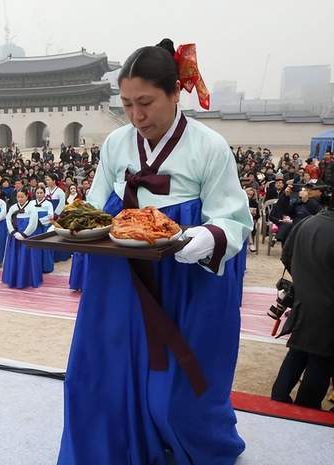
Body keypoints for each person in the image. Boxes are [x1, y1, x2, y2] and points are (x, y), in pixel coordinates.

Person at [57, 39, 252, 465]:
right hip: (119, 278)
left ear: (174, 93)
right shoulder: (115, 145)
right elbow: (92, 208)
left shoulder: (208, 147)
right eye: (126, 104)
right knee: (99, 373)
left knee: (175, 392)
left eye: (145, 102)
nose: (136, 116)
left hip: (184, 280)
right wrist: (66, 221)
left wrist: (207, 237)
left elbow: (234, 219)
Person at [271, 199, 334, 409]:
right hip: (327, 309)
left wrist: (304, 280)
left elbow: (286, 256)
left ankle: (278, 400)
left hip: (303, 300)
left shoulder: (306, 222)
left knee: (297, 352)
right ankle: (305, 412)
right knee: (321, 361)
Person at [2, 190, 42, 289]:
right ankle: (13, 279)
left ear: (26, 197)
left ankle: (26, 280)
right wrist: (13, 232)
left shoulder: (32, 208)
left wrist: (24, 234)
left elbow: (33, 223)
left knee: (26, 257)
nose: (20, 199)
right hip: (14, 236)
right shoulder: (13, 208)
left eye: (22, 197)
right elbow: (8, 219)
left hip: (27, 237)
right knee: (14, 257)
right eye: (18, 197)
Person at [45, 174, 70, 262]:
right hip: (47, 214)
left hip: (57, 216)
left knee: (56, 234)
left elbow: (62, 204)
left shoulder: (60, 191)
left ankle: (58, 255)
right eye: (46, 180)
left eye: (48, 180)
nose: (47, 181)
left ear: (54, 181)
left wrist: (55, 215)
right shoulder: (45, 190)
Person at [32, 186, 54, 273]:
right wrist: (34, 222)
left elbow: (50, 215)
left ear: (44, 194)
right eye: (37, 193)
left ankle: (46, 267)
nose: (39, 194)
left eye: (41, 193)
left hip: (44, 228)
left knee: (45, 247)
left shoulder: (48, 204)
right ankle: (35, 266)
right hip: (34, 228)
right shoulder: (31, 202)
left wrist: (40, 221)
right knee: (35, 247)